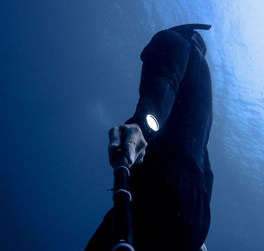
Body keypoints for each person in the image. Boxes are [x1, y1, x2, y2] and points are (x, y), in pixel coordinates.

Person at [85, 24, 214, 251]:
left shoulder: (173, 41)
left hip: (160, 191)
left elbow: (165, 82)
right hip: (194, 213)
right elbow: (203, 157)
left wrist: (140, 126)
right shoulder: (202, 82)